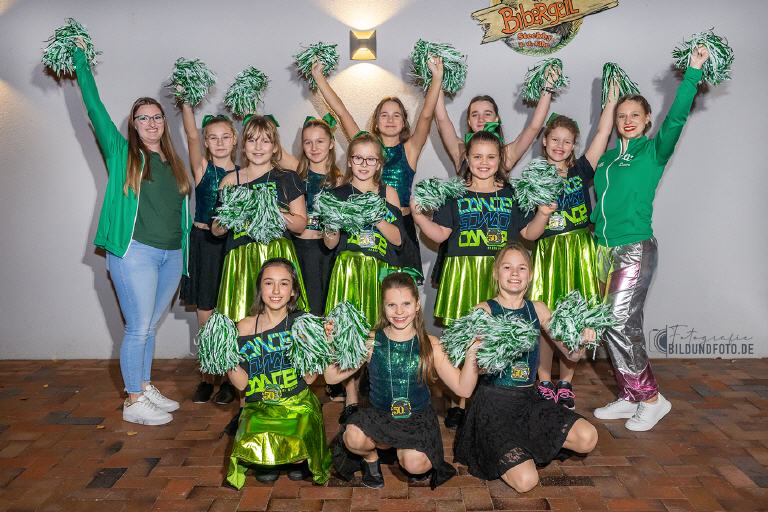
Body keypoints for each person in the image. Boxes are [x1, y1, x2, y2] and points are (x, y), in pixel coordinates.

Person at [69, 41, 191, 425]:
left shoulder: (173, 161)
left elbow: (178, 211)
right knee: (137, 327)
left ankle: (144, 384)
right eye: (143, 118)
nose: (151, 123)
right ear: (133, 125)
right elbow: (94, 107)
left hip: (171, 255)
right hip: (135, 253)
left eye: (157, 117)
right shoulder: (123, 154)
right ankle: (133, 400)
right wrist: (80, 60)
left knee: (149, 326)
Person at [591, 47, 710, 431]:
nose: (627, 121)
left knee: (618, 321)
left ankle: (652, 398)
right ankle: (630, 395)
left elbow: (675, 119)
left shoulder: (653, 152)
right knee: (615, 324)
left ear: (646, 121)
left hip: (634, 246)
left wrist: (692, 73)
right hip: (602, 249)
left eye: (634, 116)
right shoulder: (606, 160)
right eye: (621, 115)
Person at [453, 243, 598, 492]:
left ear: (530, 275)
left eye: (521, 268)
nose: (514, 273)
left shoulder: (538, 309)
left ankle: (525, 447)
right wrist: (496, 351)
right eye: (507, 267)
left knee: (588, 438)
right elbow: (475, 372)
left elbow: (571, 355)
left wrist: (582, 340)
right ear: (496, 272)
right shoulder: (483, 311)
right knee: (526, 482)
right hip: (494, 407)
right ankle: (508, 452)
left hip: (529, 402)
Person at [326, 271, 468, 489]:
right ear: (383, 307)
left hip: (416, 418)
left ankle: (403, 450)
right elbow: (331, 376)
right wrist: (330, 343)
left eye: (406, 304)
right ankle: (371, 459)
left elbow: (463, 389)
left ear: (417, 305)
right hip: (380, 414)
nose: (399, 311)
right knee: (352, 437)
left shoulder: (430, 344)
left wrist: (473, 353)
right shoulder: (372, 341)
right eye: (391, 305)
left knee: (415, 464)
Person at [312, 58, 444, 274]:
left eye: (396, 115)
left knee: (401, 290)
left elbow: (427, 115)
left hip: (398, 226)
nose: (390, 120)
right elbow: (342, 112)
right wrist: (319, 78)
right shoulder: (365, 147)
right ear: (375, 121)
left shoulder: (409, 150)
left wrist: (437, 78)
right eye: (384, 115)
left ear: (404, 122)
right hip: (362, 226)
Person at [532, 87, 618, 410]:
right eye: (555, 139)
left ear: (574, 145)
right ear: (544, 141)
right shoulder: (534, 177)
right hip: (548, 253)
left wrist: (611, 101)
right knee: (547, 321)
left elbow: (603, 133)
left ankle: (566, 383)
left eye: (567, 141)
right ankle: (543, 380)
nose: (560, 145)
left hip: (580, 250)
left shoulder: (581, 170)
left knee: (575, 317)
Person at [225, 258, 331, 488]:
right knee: (254, 448)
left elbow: (309, 379)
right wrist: (225, 356)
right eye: (268, 283)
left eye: (283, 284)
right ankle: (272, 459)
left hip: (296, 402)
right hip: (260, 405)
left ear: (293, 291)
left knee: (296, 449)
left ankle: (293, 458)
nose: (275, 291)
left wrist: (320, 347)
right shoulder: (244, 326)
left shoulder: (303, 323)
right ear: (260, 288)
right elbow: (242, 384)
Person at [324, 132, 404, 423]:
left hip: (378, 271)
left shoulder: (387, 193)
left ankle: (383, 393)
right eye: (358, 158)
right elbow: (330, 244)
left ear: (379, 164)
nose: (364, 164)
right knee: (348, 333)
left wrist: (376, 215)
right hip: (348, 270)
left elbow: (398, 239)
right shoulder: (337, 194)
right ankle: (351, 396)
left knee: (379, 331)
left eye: (371, 159)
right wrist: (331, 226)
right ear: (349, 160)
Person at [211, 115, 308, 322]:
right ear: (243, 146)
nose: (258, 147)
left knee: (282, 322)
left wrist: (270, 209)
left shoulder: (287, 177)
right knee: (241, 320)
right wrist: (233, 214)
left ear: (275, 147)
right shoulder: (230, 180)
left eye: (265, 141)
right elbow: (216, 229)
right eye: (252, 140)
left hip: (277, 253)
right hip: (241, 257)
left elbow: (300, 224)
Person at [177, 104, 239, 406]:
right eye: (212, 137)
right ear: (206, 141)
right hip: (203, 243)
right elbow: (190, 134)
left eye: (225, 136)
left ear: (235, 139)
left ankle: (228, 379)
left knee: (230, 313)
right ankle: (207, 376)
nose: (219, 142)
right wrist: (186, 102)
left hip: (231, 246)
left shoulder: (243, 174)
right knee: (205, 314)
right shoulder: (202, 169)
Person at [293, 115, 342, 316]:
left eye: (320, 141)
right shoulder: (296, 176)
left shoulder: (340, 181)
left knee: (325, 309)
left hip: (328, 252)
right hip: (299, 249)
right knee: (300, 309)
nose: (314, 147)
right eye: (308, 142)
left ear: (331, 143)